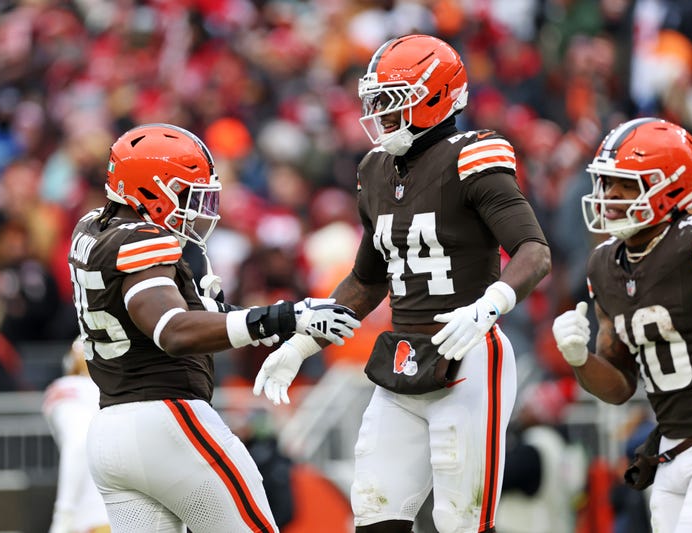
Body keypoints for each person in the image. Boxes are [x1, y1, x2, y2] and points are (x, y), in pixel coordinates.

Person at [254, 34, 551, 533]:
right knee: (374, 516)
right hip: (402, 361)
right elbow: (366, 281)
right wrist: (303, 343)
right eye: (377, 100)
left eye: (393, 99)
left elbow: (534, 251)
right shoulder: (374, 169)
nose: (381, 113)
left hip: (468, 359)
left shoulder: (472, 156)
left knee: (461, 522)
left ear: (435, 96)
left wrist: (488, 306)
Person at [67, 123, 361, 533]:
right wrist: (288, 316)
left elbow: (198, 311)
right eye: (187, 193)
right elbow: (173, 328)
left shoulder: (93, 230)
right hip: (167, 420)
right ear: (152, 189)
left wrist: (283, 321)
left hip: (111, 432)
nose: (197, 208)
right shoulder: (142, 241)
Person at [552, 117, 692, 532]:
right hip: (671, 450)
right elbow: (619, 387)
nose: (610, 195)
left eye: (626, 184)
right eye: (606, 182)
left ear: (671, 187)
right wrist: (578, 358)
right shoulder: (604, 265)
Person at [42, 338, 110, 533]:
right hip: (122, 511)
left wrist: (64, 512)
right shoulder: (127, 390)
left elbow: (77, 444)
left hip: (94, 517)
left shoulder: (69, 388)